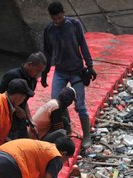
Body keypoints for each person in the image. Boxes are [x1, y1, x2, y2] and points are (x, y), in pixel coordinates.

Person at [41, 1, 96, 150]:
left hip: (76, 71)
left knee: (80, 105)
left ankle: (86, 136)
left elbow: (83, 45)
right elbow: (47, 52)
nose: (57, 21)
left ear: (63, 13)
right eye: (54, 19)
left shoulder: (74, 24)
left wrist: (90, 66)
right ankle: (67, 130)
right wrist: (45, 72)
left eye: (59, 18)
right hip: (59, 71)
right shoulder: (49, 30)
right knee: (56, 104)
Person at [0, 52, 46, 139]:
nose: (39, 75)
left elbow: (25, 102)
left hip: (21, 119)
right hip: (6, 117)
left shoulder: (33, 80)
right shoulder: (12, 75)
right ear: (30, 64)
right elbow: (0, 97)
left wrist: (31, 121)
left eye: (41, 72)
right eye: (37, 71)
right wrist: (16, 108)